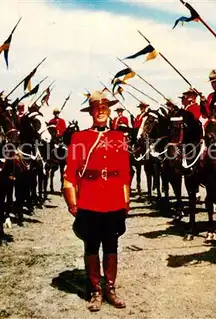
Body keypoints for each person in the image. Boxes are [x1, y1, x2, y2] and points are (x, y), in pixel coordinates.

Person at [62, 90, 131, 312]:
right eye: (96, 108)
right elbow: (71, 171)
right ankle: (95, 291)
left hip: (113, 198)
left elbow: (124, 172)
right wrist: (72, 202)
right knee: (91, 245)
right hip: (89, 199)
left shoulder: (119, 138)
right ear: (91, 112)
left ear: (108, 111)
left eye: (104, 108)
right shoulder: (80, 138)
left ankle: (110, 288)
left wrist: (125, 202)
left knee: (111, 244)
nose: (101, 112)